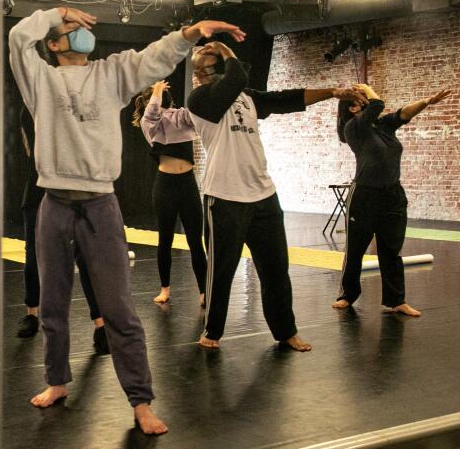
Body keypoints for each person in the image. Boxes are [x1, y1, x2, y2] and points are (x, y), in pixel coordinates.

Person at [9, 4, 243, 435]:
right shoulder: (38, 79)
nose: (80, 31)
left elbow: (155, 56)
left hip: (100, 205)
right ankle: (57, 381)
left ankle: (141, 402)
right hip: (54, 205)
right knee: (53, 306)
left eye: (79, 26)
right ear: (55, 43)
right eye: (68, 29)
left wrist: (192, 32)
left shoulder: (110, 73)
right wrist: (54, 13)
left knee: (119, 310)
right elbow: (18, 39)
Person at [185, 40, 359, 351]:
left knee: (276, 269)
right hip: (224, 197)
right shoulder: (199, 100)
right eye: (196, 69)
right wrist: (225, 50)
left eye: (204, 67)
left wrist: (332, 92)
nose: (198, 73)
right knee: (221, 271)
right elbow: (236, 78)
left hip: (263, 194)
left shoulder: (246, 98)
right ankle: (212, 331)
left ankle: (286, 331)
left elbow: (286, 99)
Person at [333, 83, 450, 317]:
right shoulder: (353, 128)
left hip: (392, 195)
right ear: (353, 108)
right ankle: (347, 295)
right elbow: (378, 104)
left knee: (391, 250)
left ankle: (397, 300)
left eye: (365, 98)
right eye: (360, 100)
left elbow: (404, 113)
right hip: (364, 196)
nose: (366, 101)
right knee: (356, 249)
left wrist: (427, 102)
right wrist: (366, 86)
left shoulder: (382, 126)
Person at [16, 105, 108, 356]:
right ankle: (32, 314)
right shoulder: (31, 110)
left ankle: (100, 326)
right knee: (32, 258)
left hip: (72, 191)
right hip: (38, 191)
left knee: (85, 257)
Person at [132, 79, 207, 307]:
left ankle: (204, 291)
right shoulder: (150, 124)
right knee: (165, 239)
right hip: (165, 185)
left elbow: (196, 114)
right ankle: (165, 289)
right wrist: (155, 90)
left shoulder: (181, 117)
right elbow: (152, 113)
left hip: (187, 183)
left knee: (196, 240)